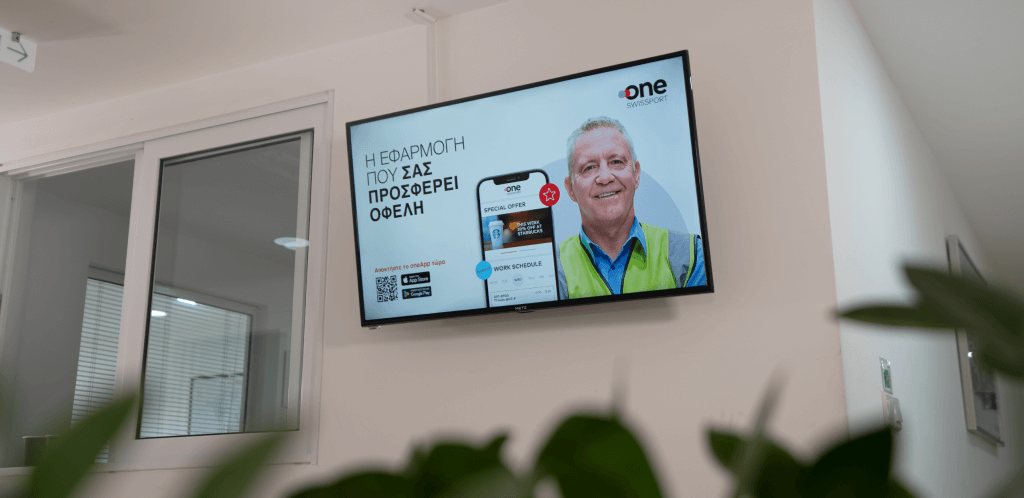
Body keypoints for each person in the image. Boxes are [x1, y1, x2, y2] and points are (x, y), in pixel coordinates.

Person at [555, 116, 706, 299]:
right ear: (570, 188)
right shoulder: (551, 268)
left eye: (616, 162)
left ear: (636, 174)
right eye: (589, 167)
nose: (605, 177)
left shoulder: (691, 255)